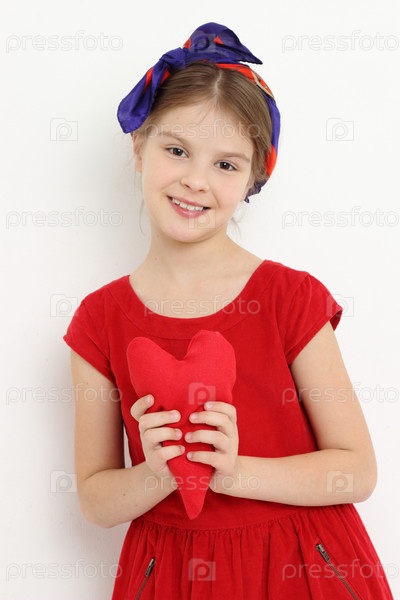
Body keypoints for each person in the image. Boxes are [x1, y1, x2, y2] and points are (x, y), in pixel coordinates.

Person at [63, 22, 394, 600]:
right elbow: (95, 499)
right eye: (176, 150)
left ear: (254, 177)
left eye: (226, 164)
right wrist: (156, 474)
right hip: (171, 573)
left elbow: (357, 470)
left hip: (304, 566)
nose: (196, 180)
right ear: (138, 147)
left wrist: (235, 472)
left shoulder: (291, 298)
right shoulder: (98, 320)